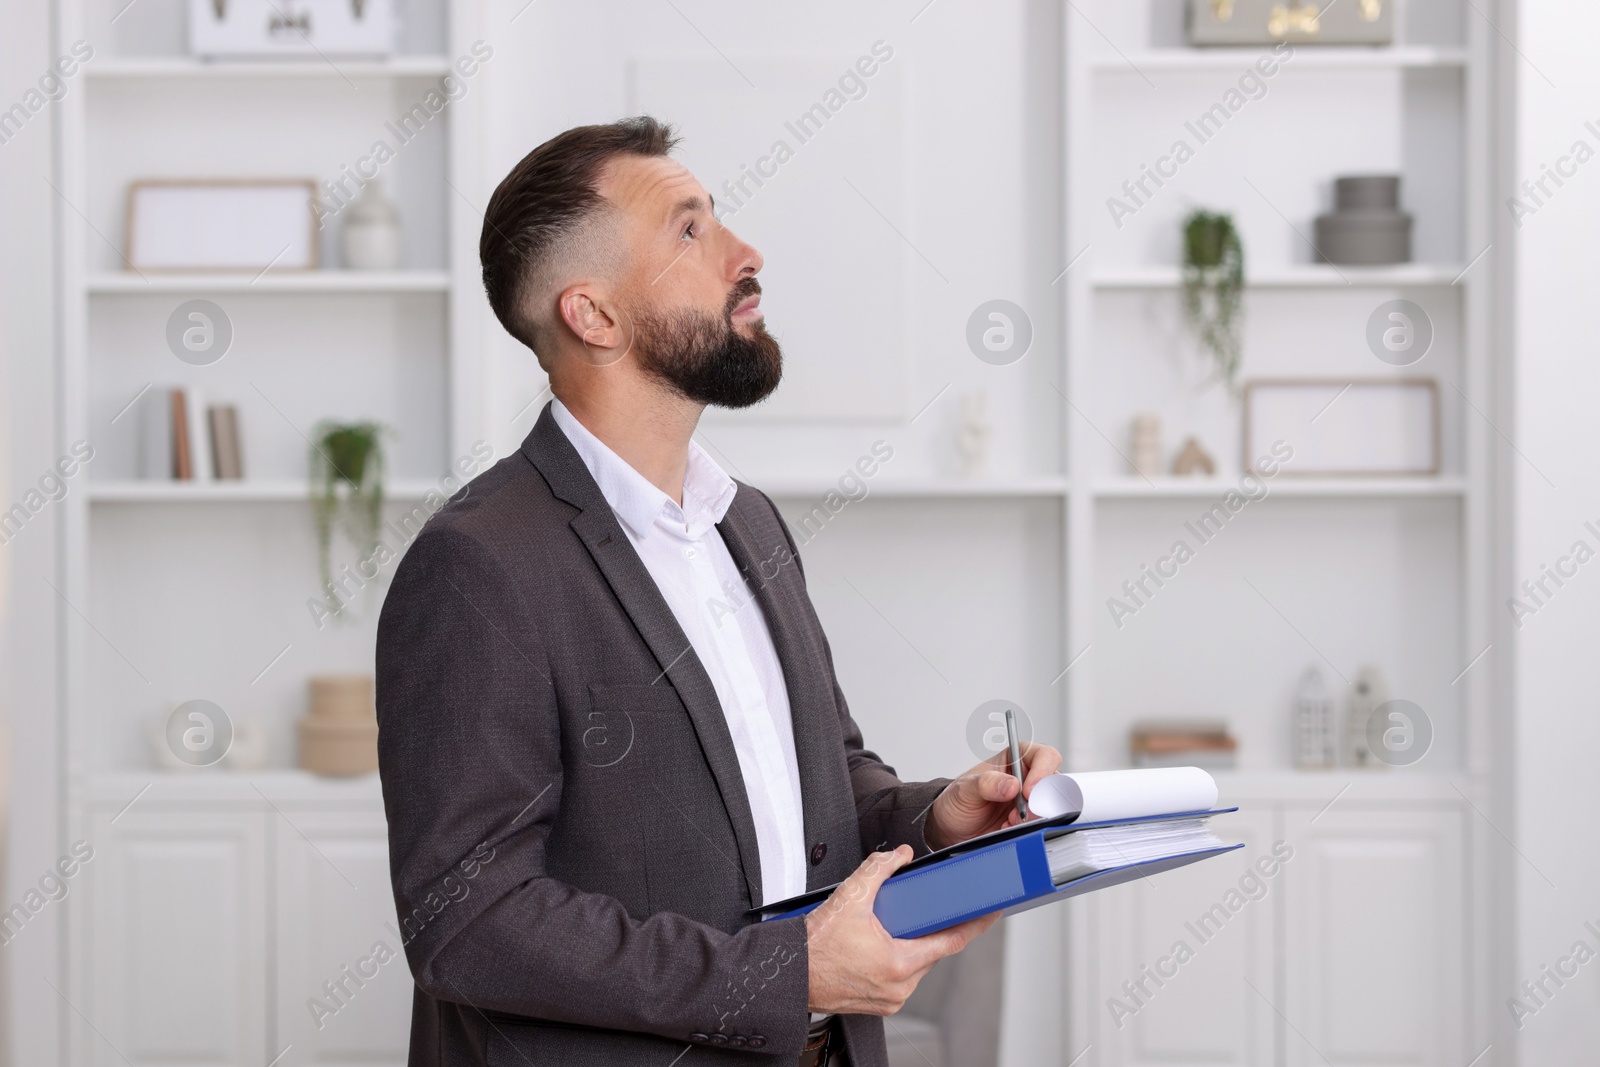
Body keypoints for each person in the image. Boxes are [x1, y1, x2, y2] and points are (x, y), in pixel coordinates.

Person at [375, 116, 1061, 1067]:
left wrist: (937, 814)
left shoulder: (751, 524)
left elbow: (832, 786)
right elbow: (468, 918)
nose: (747, 253)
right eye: (690, 231)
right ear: (593, 315)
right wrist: (782, 976)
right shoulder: (478, 564)